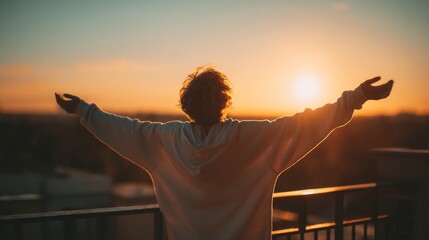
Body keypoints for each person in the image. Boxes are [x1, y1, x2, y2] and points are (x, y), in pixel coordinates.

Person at [55, 66, 393, 240]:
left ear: (186, 104)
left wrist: (84, 111)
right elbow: (304, 125)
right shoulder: (253, 138)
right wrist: (356, 97)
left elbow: (121, 129)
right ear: (224, 101)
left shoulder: (164, 141)